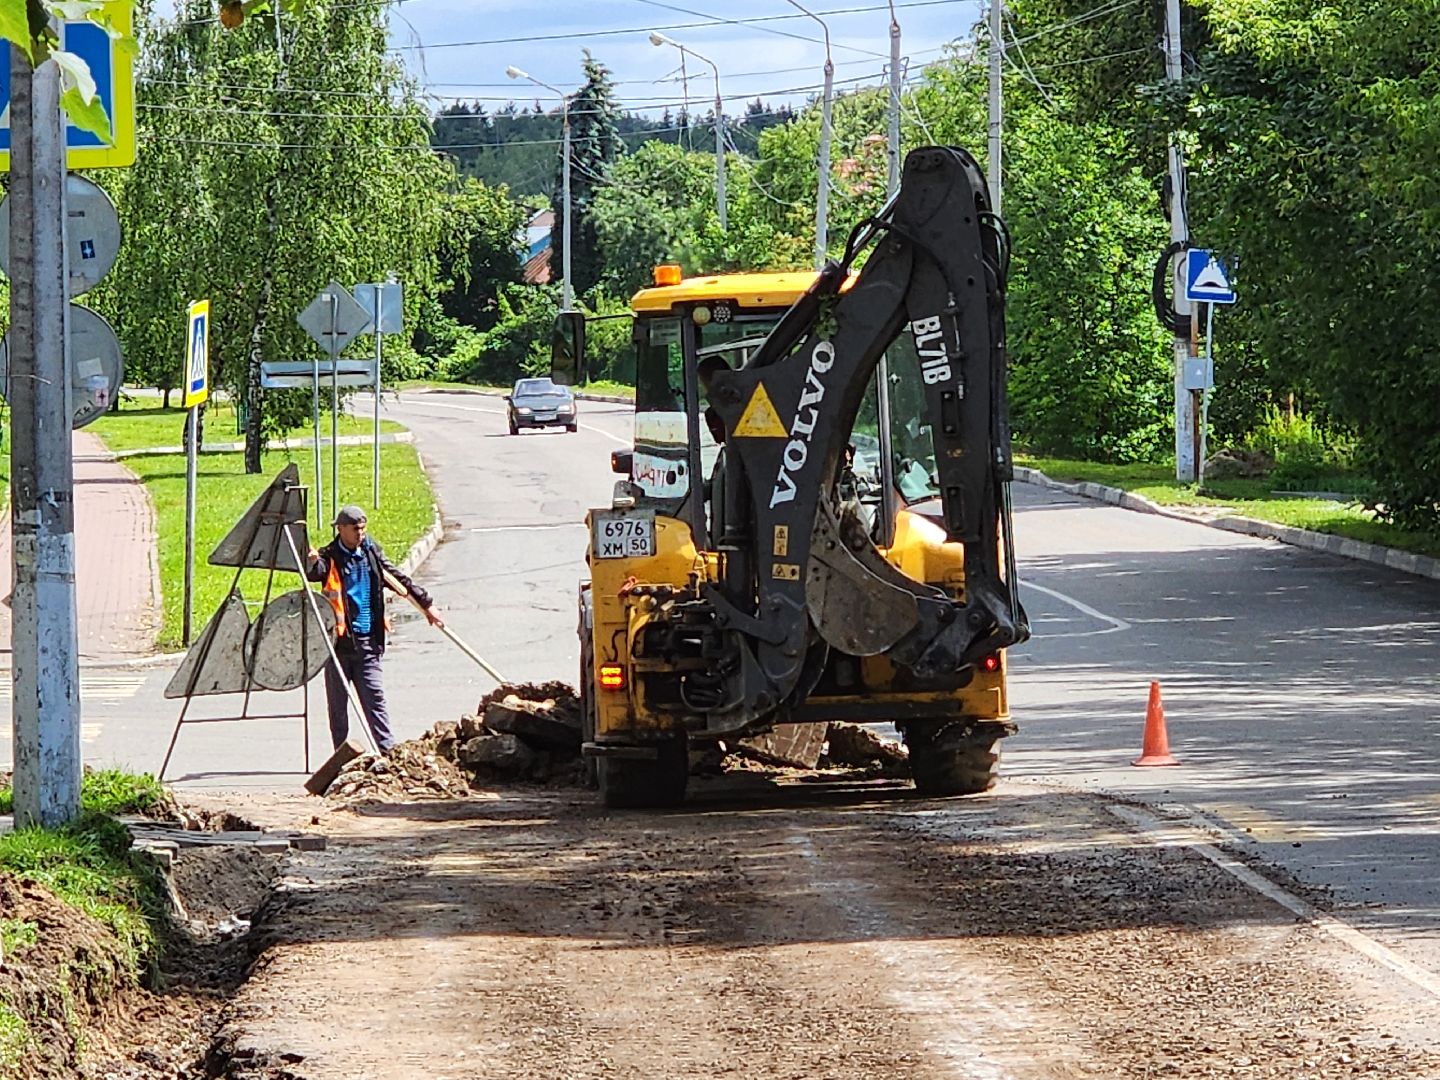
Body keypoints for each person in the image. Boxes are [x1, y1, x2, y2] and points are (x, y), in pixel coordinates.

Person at [306, 505, 443, 753]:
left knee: (375, 699)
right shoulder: (330, 556)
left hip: (369, 641)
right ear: (341, 529)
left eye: (363, 528)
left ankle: (388, 752)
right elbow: (315, 573)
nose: (360, 533)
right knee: (338, 708)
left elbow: (397, 578)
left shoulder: (371, 552)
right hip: (338, 645)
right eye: (355, 529)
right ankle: (342, 756)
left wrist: (426, 605)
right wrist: (312, 560)